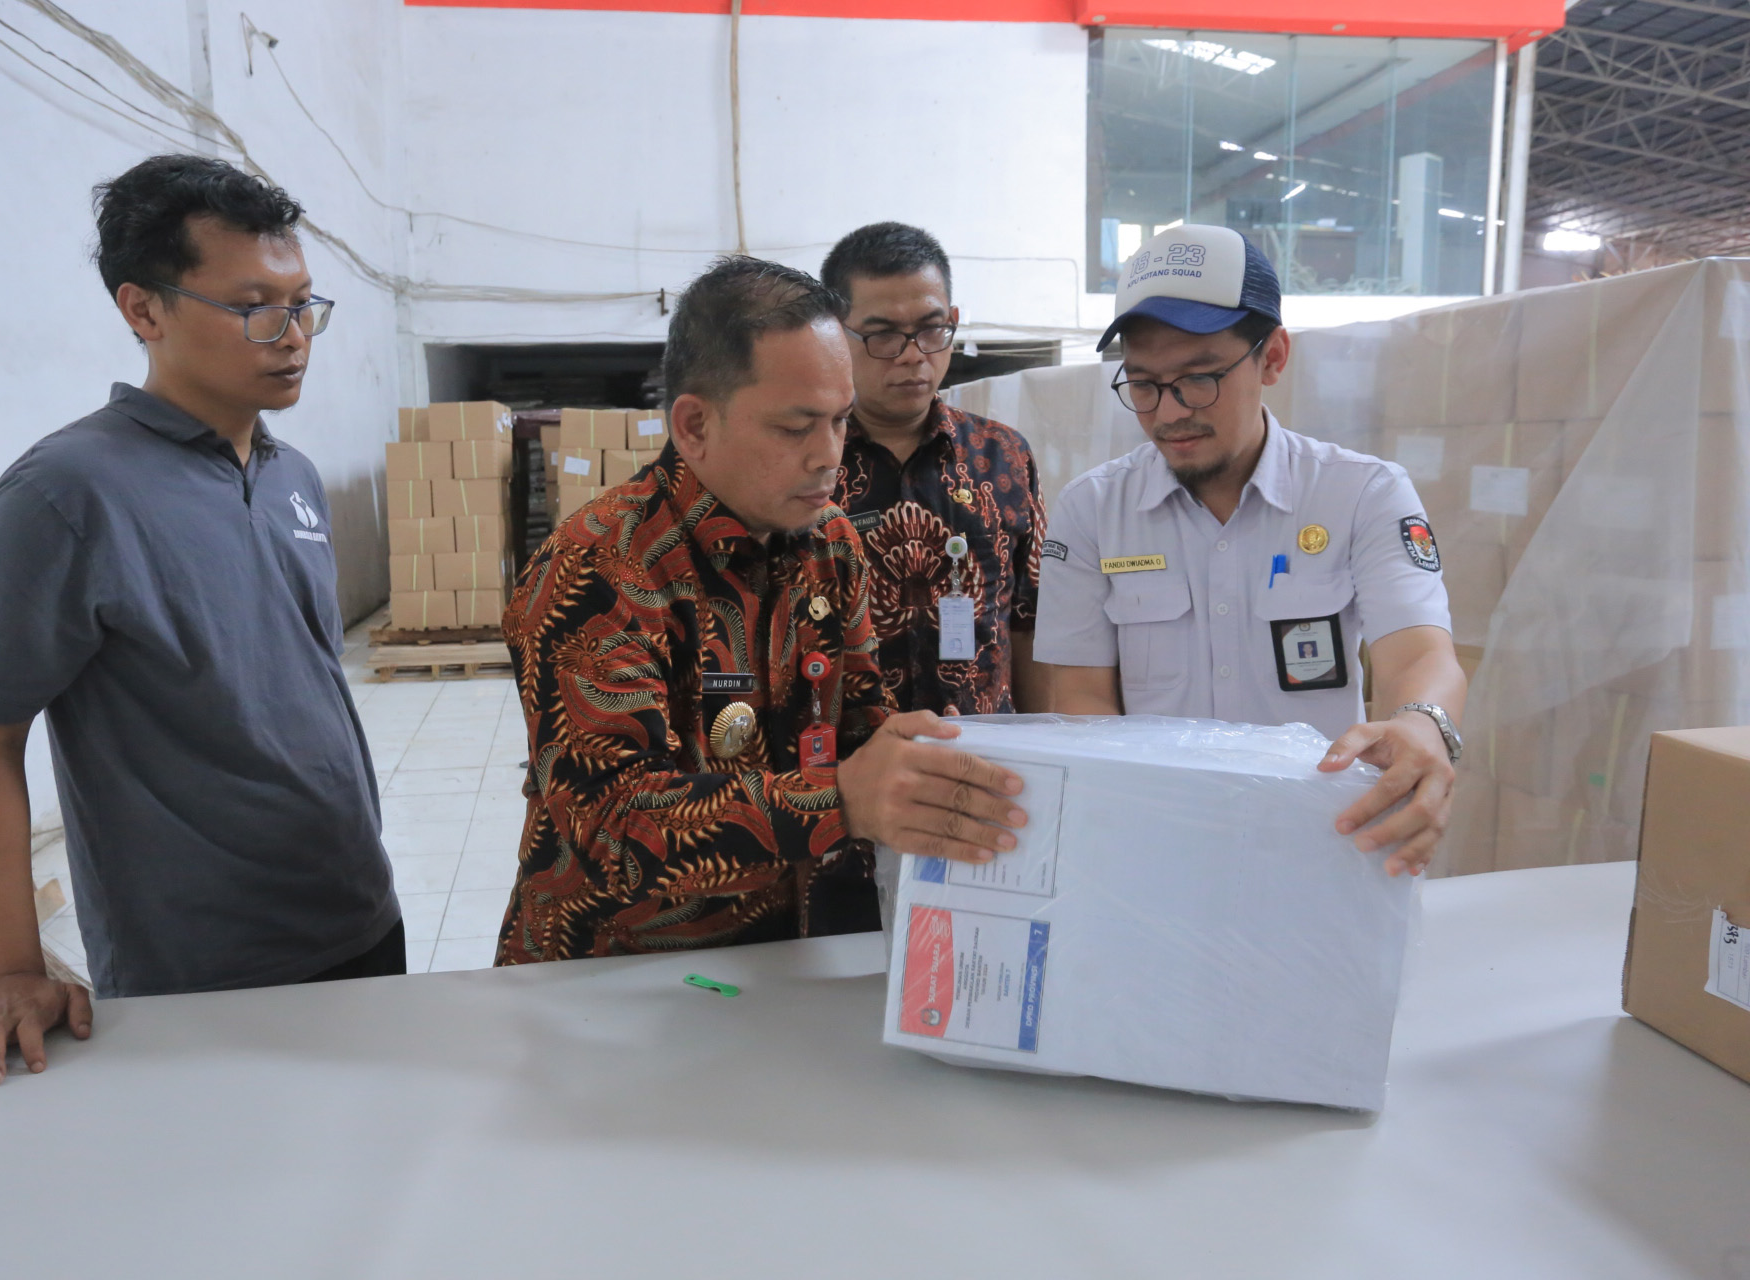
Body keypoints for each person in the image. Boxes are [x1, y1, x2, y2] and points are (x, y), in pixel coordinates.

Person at [0, 155, 399, 1087]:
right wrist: (12, 969)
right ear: (143, 310)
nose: (294, 337)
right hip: (199, 969)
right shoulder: (68, 494)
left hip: (356, 913)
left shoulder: (292, 476)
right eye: (254, 307)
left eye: (303, 304)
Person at [497, 256, 1028, 964]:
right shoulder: (598, 568)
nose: (829, 456)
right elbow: (610, 826)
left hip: (774, 955)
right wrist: (841, 799)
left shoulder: (829, 544)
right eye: (795, 427)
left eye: (840, 421)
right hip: (607, 974)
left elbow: (857, 717)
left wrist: (915, 757)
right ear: (694, 425)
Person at [1035, 225, 1466, 876]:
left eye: (1198, 378)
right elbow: (1081, 697)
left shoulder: (1361, 494)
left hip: (1325, 846)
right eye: (1144, 384)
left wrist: (1422, 724)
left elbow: (1421, 654)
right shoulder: (1092, 510)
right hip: (1155, 851)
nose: (1169, 413)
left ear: (1273, 357)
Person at [821, 223, 1047, 715]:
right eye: (883, 335)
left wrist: (1043, 743)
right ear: (834, 332)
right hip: (851, 754)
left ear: (954, 320)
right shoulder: (808, 461)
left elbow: (1030, 623)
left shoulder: (1004, 456)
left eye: (931, 329)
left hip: (988, 750)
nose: (912, 355)